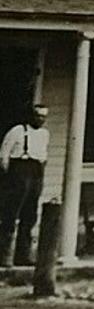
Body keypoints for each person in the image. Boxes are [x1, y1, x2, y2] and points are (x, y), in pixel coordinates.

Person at [0, 104, 50, 267]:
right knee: (11, 215)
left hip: (36, 172)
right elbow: (4, 155)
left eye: (43, 116)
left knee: (30, 216)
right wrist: (10, 177)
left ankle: (23, 256)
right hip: (19, 172)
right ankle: (4, 256)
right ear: (31, 116)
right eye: (38, 115)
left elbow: (43, 155)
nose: (40, 119)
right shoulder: (17, 131)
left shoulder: (44, 134)